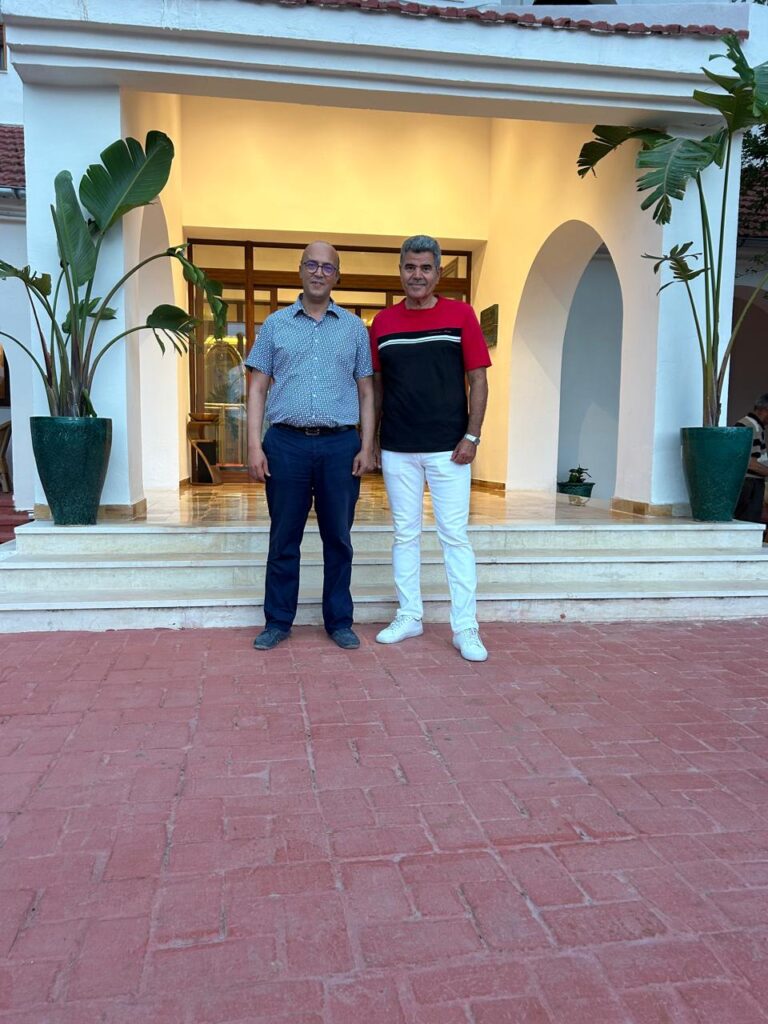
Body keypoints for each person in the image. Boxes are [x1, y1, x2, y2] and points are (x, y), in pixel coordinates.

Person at [246, 242, 375, 651]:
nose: (319, 273)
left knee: (338, 538)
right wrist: (254, 446)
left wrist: (367, 445)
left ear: (337, 276)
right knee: (284, 537)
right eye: (312, 265)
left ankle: (339, 621)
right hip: (286, 445)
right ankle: (277, 621)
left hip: (340, 446)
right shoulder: (275, 325)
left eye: (328, 267)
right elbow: (257, 388)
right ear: (300, 270)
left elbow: (367, 391)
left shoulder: (354, 329)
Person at [370, 235, 491, 662]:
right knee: (404, 535)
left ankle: (465, 627)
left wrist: (472, 436)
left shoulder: (461, 315)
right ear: (400, 271)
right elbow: (377, 387)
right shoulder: (382, 323)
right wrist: (372, 441)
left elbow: (478, 378)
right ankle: (409, 615)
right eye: (410, 267)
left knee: (454, 537)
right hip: (398, 448)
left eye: (425, 268)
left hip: (449, 449)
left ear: (438, 272)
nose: (417, 275)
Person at [734, 393, 768, 523]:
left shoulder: (757, 426)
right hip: (749, 484)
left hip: (753, 484)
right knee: (747, 523)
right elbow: (747, 462)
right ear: (764, 410)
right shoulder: (748, 426)